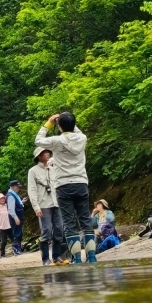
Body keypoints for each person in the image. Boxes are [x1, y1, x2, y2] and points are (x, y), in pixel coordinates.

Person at [35, 111, 97, 264]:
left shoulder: (57, 141)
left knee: (69, 223)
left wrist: (49, 123)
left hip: (63, 186)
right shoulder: (82, 138)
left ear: (60, 126)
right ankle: (92, 257)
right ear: (73, 124)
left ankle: (76, 258)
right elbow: (76, 131)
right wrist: (68, 121)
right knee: (85, 220)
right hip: (81, 182)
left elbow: (38, 140)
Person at [27, 147, 67, 266]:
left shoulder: (53, 169)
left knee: (59, 229)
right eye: (44, 153)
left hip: (56, 203)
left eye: (47, 152)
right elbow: (32, 190)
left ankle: (56, 256)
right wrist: (36, 207)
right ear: (39, 156)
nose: (47, 154)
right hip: (43, 204)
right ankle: (45, 258)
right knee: (47, 230)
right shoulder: (33, 171)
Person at [5, 180, 26, 255]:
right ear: (13, 186)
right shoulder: (11, 196)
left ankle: (19, 249)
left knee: (19, 233)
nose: (19, 188)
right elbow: (11, 209)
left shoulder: (14, 194)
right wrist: (16, 218)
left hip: (18, 217)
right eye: (17, 187)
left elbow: (16, 204)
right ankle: (16, 250)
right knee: (16, 234)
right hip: (15, 218)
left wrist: (22, 201)